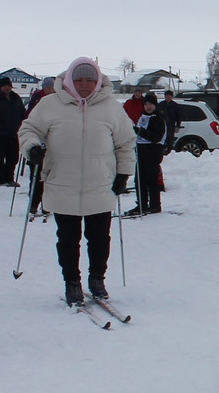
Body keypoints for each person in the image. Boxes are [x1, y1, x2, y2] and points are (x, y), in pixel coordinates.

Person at [18, 58, 135, 305]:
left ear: (97, 81)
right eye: (79, 79)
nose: (84, 84)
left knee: (100, 237)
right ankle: (72, 281)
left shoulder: (111, 108)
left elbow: (126, 142)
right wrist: (31, 149)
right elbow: (28, 130)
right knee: (68, 239)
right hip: (62, 183)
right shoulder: (50, 104)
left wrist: (123, 174)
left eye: (89, 79)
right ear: (70, 79)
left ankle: (97, 279)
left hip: (100, 184)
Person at [0, 75, 26, 186]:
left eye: (8, 86)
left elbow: (23, 114)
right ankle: (0, 180)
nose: (7, 88)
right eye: (4, 86)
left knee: (13, 158)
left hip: (14, 134)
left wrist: (21, 125)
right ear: (0, 87)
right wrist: (0, 127)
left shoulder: (16, 98)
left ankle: (10, 178)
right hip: (0, 135)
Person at [132, 91, 166, 214]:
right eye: (146, 104)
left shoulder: (158, 119)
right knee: (140, 180)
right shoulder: (142, 117)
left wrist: (140, 131)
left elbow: (156, 137)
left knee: (152, 180)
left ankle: (155, 205)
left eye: (151, 104)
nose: (148, 106)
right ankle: (142, 204)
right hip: (141, 152)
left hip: (153, 153)